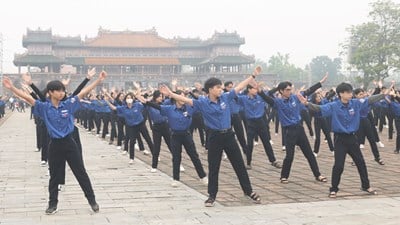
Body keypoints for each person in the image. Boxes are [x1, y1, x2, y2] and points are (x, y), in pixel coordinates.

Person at [2, 71, 106, 214]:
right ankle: (52, 204)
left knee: (80, 172)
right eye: (58, 91)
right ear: (51, 92)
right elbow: (28, 98)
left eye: (63, 90)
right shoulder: (44, 107)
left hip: (70, 143)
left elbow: (83, 92)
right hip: (55, 145)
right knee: (54, 176)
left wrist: (98, 80)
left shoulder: (68, 105)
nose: (62, 93)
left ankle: (92, 200)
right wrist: (12, 88)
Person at [159, 66, 263, 207]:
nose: (221, 89)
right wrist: (171, 93)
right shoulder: (202, 102)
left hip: (229, 136)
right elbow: (186, 100)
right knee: (214, 168)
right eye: (218, 87)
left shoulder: (226, 97)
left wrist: (253, 76)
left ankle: (248, 191)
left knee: (239, 165)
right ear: (210, 89)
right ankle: (212, 195)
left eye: (221, 87)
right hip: (214, 138)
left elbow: (240, 87)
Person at [298, 82, 387, 198]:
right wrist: (307, 104)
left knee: (361, 162)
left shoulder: (355, 104)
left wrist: (383, 94)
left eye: (351, 92)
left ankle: (366, 185)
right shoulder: (333, 106)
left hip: (352, 138)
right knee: (339, 165)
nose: (350, 94)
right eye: (348, 92)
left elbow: (369, 100)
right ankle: (333, 188)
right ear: (341, 94)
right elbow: (319, 108)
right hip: (340, 139)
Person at [258, 75, 328, 184]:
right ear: (281, 91)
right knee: (289, 156)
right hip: (289, 131)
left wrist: (320, 82)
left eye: (290, 89)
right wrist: (260, 91)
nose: (289, 91)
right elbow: (267, 98)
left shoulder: (296, 98)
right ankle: (284, 176)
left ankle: (317, 174)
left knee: (309, 154)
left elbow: (309, 91)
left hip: (299, 129)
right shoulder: (277, 102)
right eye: (287, 90)